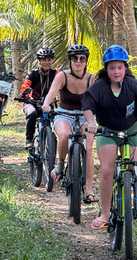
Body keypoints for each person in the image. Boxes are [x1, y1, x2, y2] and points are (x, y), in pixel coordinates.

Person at [82, 45, 137, 230]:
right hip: (107, 132)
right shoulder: (99, 87)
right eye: (112, 68)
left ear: (125, 68)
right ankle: (105, 213)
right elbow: (88, 104)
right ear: (106, 69)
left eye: (120, 67)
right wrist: (91, 123)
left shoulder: (132, 85)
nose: (116, 71)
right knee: (106, 170)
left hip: (130, 131)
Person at [41, 44, 97, 203]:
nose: (78, 62)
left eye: (82, 59)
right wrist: (46, 105)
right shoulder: (62, 76)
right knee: (65, 135)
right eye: (75, 58)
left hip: (86, 117)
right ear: (70, 61)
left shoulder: (91, 79)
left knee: (87, 146)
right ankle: (60, 164)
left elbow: (99, 99)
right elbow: (51, 94)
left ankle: (89, 190)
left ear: (86, 61)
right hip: (64, 114)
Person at [20, 47, 57, 149]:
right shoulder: (33, 74)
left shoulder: (56, 74)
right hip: (32, 102)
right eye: (44, 60)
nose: (46, 62)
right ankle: (29, 140)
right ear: (39, 61)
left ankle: (52, 142)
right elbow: (25, 85)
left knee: (56, 118)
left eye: (49, 60)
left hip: (48, 104)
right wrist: (25, 91)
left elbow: (64, 84)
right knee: (32, 114)